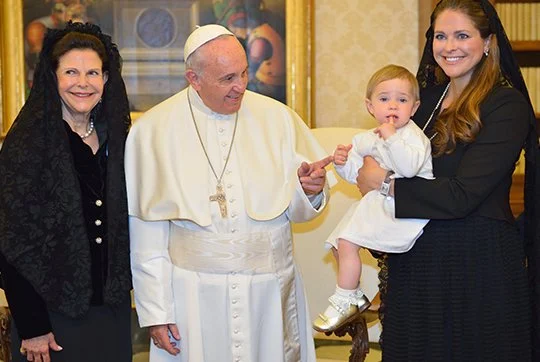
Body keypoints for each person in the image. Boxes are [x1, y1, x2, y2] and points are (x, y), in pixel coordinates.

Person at [126, 24, 333, 362]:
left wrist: (309, 191)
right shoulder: (152, 131)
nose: (240, 87)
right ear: (194, 78)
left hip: (268, 291)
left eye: (244, 73)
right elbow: (146, 234)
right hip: (193, 298)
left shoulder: (277, 118)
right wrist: (156, 312)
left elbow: (298, 206)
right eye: (226, 79)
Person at [355, 0, 539, 360]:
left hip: (478, 264)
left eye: (462, 35)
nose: (449, 46)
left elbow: (463, 195)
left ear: (487, 42)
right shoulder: (421, 103)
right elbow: (386, 158)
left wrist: (385, 184)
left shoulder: (507, 106)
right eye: (441, 36)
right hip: (417, 263)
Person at [0, 22, 132, 361]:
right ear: (52, 77)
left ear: (105, 79)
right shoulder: (27, 144)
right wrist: (32, 326)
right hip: (49, 321)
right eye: (71, 71)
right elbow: (11, 242)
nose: (83, 83)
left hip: (112, 315)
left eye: (92, 72)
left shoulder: (119, 139)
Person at [312, 64, 433, 333]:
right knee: (338, 245)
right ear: (370, 106)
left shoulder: (414, 137)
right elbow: (358, 177)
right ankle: (351, 293)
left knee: (347, 241)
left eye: (402, 100)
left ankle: (345, 298)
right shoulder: (367, 138)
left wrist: (391, 139)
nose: (393, 106)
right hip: (378, 203)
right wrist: (343, 162)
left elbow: (409, 168)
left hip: (405, 210)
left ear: (413, 108)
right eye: (384, 99)